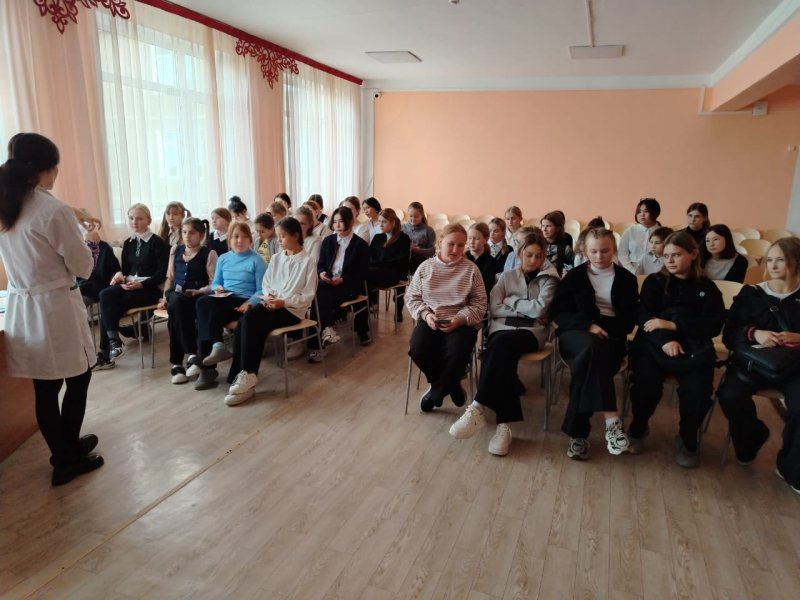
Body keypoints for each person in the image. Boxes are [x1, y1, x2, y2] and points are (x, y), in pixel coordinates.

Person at [0, 132, 103, 486]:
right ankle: (65, 458)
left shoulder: (8, 202)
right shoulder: (52, 210)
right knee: (78, 376)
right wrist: (91, 241)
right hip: (54, 307)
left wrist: (74, 216)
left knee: (45, 386)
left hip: (24, 305)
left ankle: (67, 447)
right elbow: (83, 267)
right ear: (47, 168)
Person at [448, 231, 559, 455]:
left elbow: (540, 309)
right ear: (520, 253)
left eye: (539, 256)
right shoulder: (506, 277)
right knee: (501, 353)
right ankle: (503, 426)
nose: (533, 260)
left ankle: (478, 407)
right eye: (529, 255)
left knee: (497, 348)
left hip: (531, 333)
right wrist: (524, 308)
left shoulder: (549, 280)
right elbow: (494, 307)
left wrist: (511, 300)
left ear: (544, 256)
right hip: (502, 328)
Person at [627, 231, 725, 467]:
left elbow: (713, 325)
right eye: (666, 256)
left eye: (676, 255)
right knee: (644, 385)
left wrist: (674, 324)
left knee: (698, 391)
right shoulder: (654, 282)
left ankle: (688, 438)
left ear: (693, 254)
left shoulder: (707, 287)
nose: (669, 260)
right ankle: (638, 427)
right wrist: (665, 340)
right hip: (654, 345)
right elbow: (645, 319)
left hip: (694, 348)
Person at [717, 237, 800, 493]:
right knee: (729, 395)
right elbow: (730, 335)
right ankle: (752, 437)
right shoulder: (752, 294)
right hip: (754, 363)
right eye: (770, 260)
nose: (773, 265)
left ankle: (790, 468)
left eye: (781, 260)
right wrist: (755, 334)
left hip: (794, 367)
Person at [551, 228, 638, 459]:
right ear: (584, 251)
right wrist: (588, 325)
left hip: (611, 339)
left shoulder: (627, 279)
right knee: (591, 347)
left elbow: (628, 322)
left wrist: (602, 327)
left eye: (605, 251)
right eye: (594, 251)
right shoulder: (574, 277)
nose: (599, 256)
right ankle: (612, 420)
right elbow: (559, 313)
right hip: (575, 335)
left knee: (588, 364)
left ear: (614, 249)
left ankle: (577, 435)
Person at [223, 217, 318, 406]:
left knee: (252, 321)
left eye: (283, 236)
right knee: (247, 319)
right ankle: (245, 375)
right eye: (278, 235)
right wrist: (270, 297)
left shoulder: (308, 261)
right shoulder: (276, 258)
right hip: (271, 304)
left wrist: (283, 302)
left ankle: (245, 375)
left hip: (292, 310)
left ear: (295, 236)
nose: (279, 240)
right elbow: (266, 284)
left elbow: (307, 296)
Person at [406, 223, 487, 412]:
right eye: (451, 244)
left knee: (458, 352)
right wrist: (426, 315)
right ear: (440, 242)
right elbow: (412, 297)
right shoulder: (426, 267)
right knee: (417, 349)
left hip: (461, 322)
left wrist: (459, 319)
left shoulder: (471, 269)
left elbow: (480, 304)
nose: (456, 250)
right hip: (431, 319)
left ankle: (436, 392)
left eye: (461, 245)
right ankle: (450, 385)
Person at [95, 203, 169, 369]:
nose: (134, 222)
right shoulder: (128, 242)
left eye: (139, 218)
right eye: (131, 218)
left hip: (150, 289)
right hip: (130, 285)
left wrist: (141, 285)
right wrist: (120, 276)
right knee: (105, 295)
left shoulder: (157, 242)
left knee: (110, 308)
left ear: (148, 220)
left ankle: (104, 354)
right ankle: (114, 341)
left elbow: (162, 273)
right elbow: (127, 270)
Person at [194, 222, 267, 390]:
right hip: (224, 297)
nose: (239, 240)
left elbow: (262, 289)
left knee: (208, 315)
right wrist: (217, 288)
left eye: (244, 237)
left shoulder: (257, 261)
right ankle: (217, 347)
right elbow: (215, 283)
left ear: (250, 240)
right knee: (202, 303)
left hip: (243, 301)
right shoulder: (223, 258)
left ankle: (208, 367)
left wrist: (250, 303)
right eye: (235, 236)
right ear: (229, 239)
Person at [157, 218, 217, 384]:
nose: (187, 236)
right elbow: (170, 278)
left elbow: (214, 282)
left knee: (175, 315)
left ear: (201, 235)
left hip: (196, 296)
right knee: (176, 302)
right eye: (184, 232)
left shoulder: (209, 254)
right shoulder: (175, 250)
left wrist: (200, 291)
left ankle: (177, 364)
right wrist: (164, 298)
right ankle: (192, 354)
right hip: (176, 294)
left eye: (192, 233)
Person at [309, 206, 371, 362]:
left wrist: (343, 279)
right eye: (334, 221)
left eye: (341, 221)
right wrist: (322, 273)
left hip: (349, 285)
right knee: (320, 291)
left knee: (319, 296)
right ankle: (326, 331)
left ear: (350, 222)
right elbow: (321, 265)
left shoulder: (360, 245)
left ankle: (318, 343)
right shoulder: (328, 241)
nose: (336, 225)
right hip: (329, 282)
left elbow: (363, 273)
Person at [366, 208, 411, 318]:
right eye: (379, 221)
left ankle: (372, 303)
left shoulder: (403, 238)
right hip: (377, 271)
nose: (380, 225)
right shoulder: (378, 237)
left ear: (393, 223)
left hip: (394, 274)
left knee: (367, 273)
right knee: (362, 273)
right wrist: (379, 263)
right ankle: (367, 305)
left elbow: (401, 261)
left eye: (384, 222)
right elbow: (370, 256)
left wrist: (379, 263)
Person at [77, 229, 121, 303]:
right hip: (81, 286)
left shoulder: (105, 248)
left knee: (77, 303)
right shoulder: (80, 250)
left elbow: (116, 270)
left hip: (98, 287)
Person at [619, 198, 661, 273]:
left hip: (656, 272)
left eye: (646, 211)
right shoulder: (630, 231)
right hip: (631, 271)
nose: (642, 214)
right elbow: (622, 254)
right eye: (639, 212)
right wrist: (632, 271)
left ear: (655, 213)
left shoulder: (662, 232)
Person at [403, 201, 436, 273]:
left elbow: (432, 251)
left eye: (416, 216)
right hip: (404, 258)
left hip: (420, 261)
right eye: (411, 216)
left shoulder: (428, 230)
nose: (413, 219)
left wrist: (418, 250)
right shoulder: (402, 228)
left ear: (422, 216)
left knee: (414, 256)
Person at [466, 222, 496, 295]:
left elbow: (485, 286)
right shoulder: (462, 257)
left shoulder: (491, 261)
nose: (472, 242)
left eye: (476, 239)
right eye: (469, 238)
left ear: (486, 239)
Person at [540, 210, 574, 276]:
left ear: (558, 228)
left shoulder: (566, 249)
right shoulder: (538, 244)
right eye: (543, 226)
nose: (544, 229)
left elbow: (571, 267)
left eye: (548, 226)